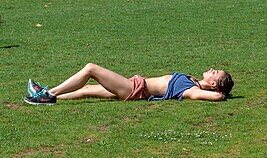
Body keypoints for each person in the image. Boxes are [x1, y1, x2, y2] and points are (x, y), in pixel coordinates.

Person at [24, 64, 232, 104]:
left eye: (215, 73)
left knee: (90, 69)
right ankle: (51, 99)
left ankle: (47, 93)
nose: (212, 69)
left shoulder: (192, 90)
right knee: (87, 89)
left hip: (134, 89)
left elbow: (216, 96)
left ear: (214, 84)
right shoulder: (192, 82)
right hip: (134, 84)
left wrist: (220, 94)